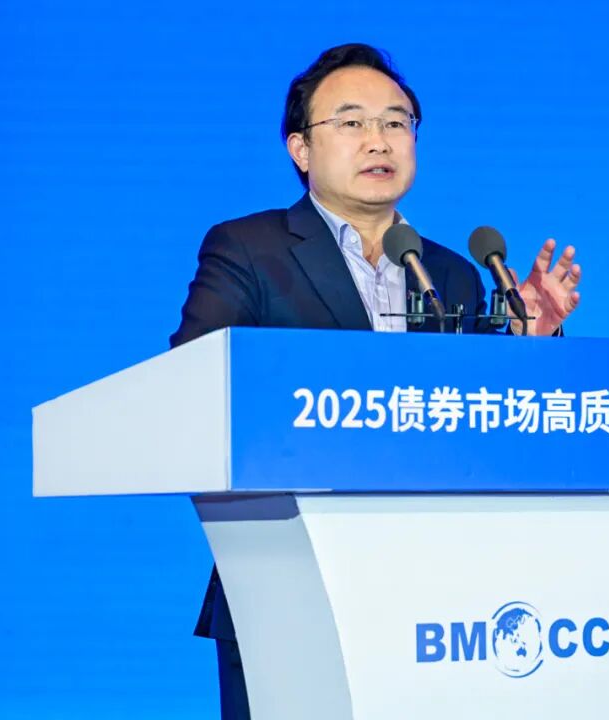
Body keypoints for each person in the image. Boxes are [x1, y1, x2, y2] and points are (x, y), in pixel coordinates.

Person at [170, 42, 582, 720]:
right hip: (287, 584)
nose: (378, 139)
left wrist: (527, 343)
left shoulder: (451, 274)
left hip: (438, 600)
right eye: (352, 122)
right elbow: (194, 383)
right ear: (301, 149)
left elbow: (484, 422)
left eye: (396, 122)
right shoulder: (249, 248)